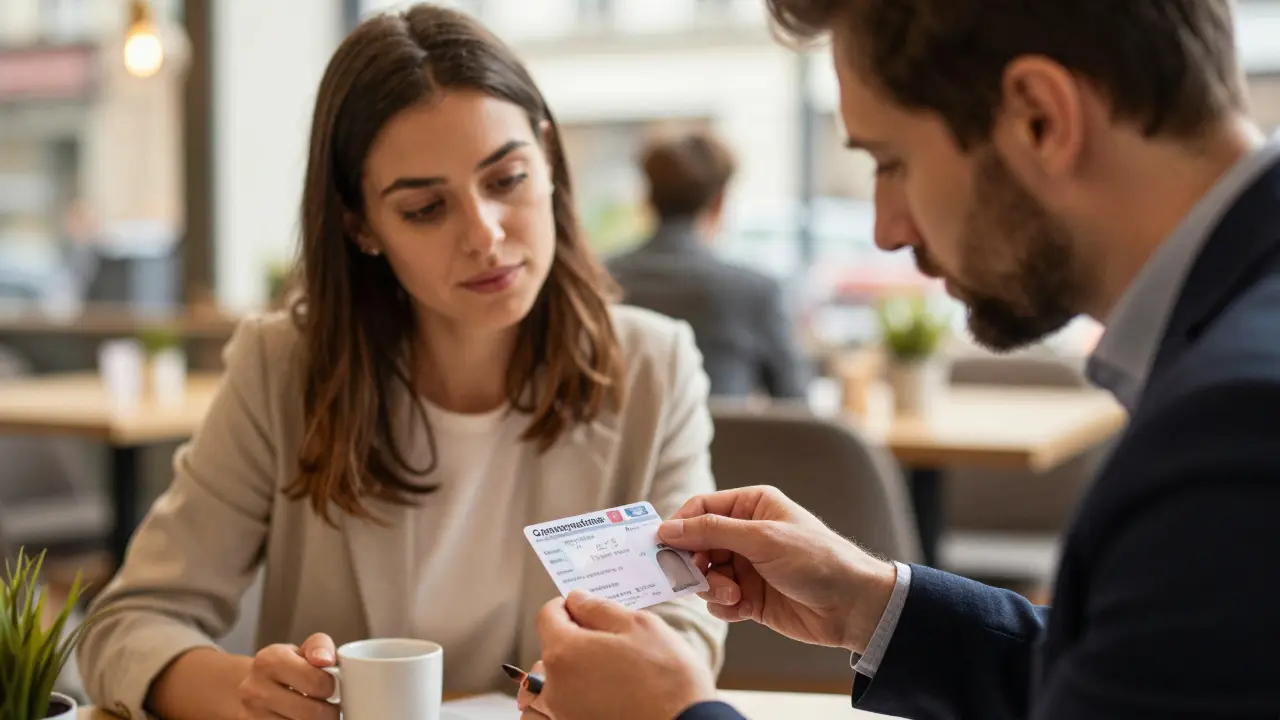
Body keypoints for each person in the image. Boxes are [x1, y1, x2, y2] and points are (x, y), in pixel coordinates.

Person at [522, 0, 1280, 718]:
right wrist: (871, 603)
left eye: (891, 161)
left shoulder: (1232, 430)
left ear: (1040, 119)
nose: (884, 229)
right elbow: (1135, 675)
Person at [76, 6, 725, 719]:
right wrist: (250, 695)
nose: (485, 234)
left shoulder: (654, 366)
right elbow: (127, 626)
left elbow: (682, 634)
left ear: (547, 159)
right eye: (425, 208)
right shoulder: (283, 369)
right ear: (361, 226)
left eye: (506, 179)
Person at [605, 131, 809, 400]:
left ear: (647, 199)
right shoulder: (755, 290)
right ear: (719, 202)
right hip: (724, 443)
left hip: (624, 443)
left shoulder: (601, 279)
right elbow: (794, 402)